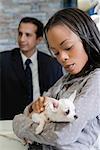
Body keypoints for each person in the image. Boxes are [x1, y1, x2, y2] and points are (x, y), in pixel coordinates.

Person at [13, 8, 100, 150]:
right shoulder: (65, 80)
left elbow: (62, 135)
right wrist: (32, 109)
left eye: (68, 47)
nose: (62, 57)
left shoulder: (96, 80)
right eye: (56, 53)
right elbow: (26, 113)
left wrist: (21, 125)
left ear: (86, 39)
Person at [0, 17, 63, 120]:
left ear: (38, 39)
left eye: (27, 35)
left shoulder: (53, 64)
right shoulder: (3, 61)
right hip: (10, 121)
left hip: (43, 121)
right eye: (20, 34)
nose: (22, 39)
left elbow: (58, 96)